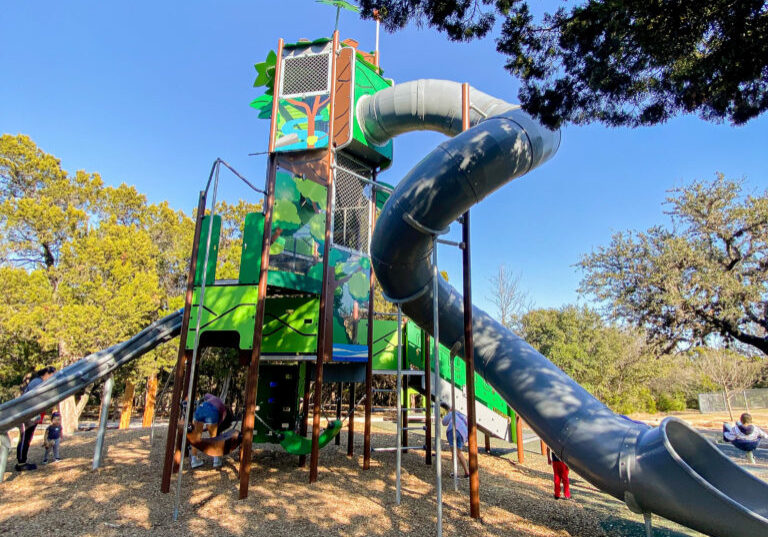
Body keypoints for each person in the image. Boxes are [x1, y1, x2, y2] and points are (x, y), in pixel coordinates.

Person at [15, 366, 56, 471]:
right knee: (24, 437)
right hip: (26, 415)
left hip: (31, 415)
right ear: (47, 373)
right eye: (52, 375)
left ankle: (22, 461)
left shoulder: (39, 382)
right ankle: (21, 463)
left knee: (27, 438)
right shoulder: (37, 382)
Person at [189, 393, 228, 469]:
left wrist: (205, 428)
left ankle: (194, 461)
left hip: (200, 409)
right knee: (214, 438)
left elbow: (206, 394)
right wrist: (217, 426)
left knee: (196, 437)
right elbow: (222, 419)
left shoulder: (211, 397)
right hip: (212, 411)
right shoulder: (223, 408)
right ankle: (216, 460)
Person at [442, 409, 469, 478]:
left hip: (452, 430)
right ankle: (467, 472)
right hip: (463, 433)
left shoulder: (452, 413)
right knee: (459, 453)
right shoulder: (464, 415)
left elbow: (444, 422)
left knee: (454, 452)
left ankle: (456, 473)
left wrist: (449, 412)